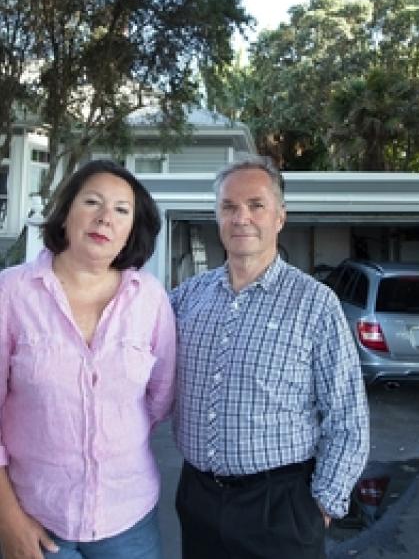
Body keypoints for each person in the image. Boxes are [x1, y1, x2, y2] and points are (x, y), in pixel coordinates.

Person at [171, 154, 370, 559]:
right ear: (217, 217)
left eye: (255, 205)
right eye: (229, 207)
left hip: (280, 508)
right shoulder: (187, 298)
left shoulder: (315, 303)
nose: (241, 217)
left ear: (279, 217)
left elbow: (347, 415)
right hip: (198, 499)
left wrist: (323, 505)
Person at [0, 160, 176, 559]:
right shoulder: (11, 293)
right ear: (65, 214)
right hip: (36, 516)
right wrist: (7, 518)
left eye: (121, 210)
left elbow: (160, 395)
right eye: (92, 202)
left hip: (130, 517)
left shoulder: (149, 298)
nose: (104, 219)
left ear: (133, 228)